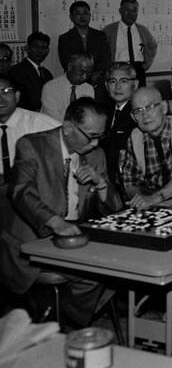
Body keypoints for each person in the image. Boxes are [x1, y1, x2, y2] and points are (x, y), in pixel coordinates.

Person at [0, 98, 121, 326]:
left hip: (74, 240)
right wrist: (55, 222)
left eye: (100, 136)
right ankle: (67, 326)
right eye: (91, 136)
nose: (95, 144)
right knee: (92, 275)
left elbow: (116, 209)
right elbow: (21, 191)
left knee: (117, 268)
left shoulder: (96, 155)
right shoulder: (32, 146)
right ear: (67, 128)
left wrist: (101, 185)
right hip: (31, 241)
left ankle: (61, 323)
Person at [120, 86, 172, 208]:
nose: (145, 115)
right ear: (133, 117)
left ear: (164, 107)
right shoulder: (134, 137)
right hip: (154, 206)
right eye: (138, 111)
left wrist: (153, 199)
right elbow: (129, 181)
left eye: (150, 107)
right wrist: (140, 200)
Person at [102, 0, 158, 86]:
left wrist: (147, 63)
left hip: (138, 70)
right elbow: (102, 52)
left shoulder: (143, 30)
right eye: (127, 10)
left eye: (134, 10)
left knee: (139, 98)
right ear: (120, 11)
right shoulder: (109, 30)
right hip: (117, 70)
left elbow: (153, 45)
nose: (131, 14)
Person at [102, 62, 138, 196]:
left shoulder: (138, 114)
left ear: (135, 84)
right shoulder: (103, 112)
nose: (117, 87)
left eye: (123, 81)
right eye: (112, 81)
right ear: (106, 85)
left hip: (129, 184)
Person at [57, 0, 111, 85]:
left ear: (90, 15)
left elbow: (106, 58)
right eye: (78, 13)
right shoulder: (65, 39)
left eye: (85, 13)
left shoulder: (100, 36)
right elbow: (67, 63)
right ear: (71, 17)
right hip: (75, 81)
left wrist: (97, 73)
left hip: (98, 80)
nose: (82, 17)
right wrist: (85, 75)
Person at [41, 53, 95, 121]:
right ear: (69, 67)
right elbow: (52, 119)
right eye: (81, 72)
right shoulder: (50, 88)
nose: (85, 77)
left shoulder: (89, 89)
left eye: (89, 73)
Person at [10, 31, 53, 112]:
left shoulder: (47, 73)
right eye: (36, 47)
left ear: (48, 50)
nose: (40, 51)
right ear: (27, 48)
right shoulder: (17, 71)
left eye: (44, 47)